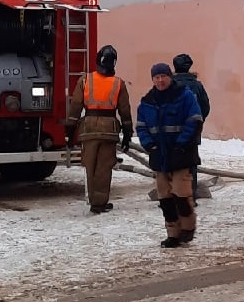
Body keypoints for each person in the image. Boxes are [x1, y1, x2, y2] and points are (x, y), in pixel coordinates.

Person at [137, 62, 203, 248]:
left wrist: (182, 144)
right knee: (165, 199)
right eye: (156, 77)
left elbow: (195, 120)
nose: (160, 80)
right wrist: (150, 145)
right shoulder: (147, 102)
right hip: (160, 156)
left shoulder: (185, 96)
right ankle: (173, 234)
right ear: (152, 80)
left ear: (170, 76)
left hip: (181, 153)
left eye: (163, 76)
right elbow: (141, 126)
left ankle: (188, 229)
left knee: (182, 196)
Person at [65, 44, 133, 214]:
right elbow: (125, 111)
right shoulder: (119, 83)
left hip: (88, 128)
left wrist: (69, 131)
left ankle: (93, 199)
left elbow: (75, 108)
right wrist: (127, 134)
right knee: (104, 166)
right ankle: (100, 202)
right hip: (109, 130)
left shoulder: (85, 80)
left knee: (90, 165)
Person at [171, 53, 210, 198]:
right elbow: (205, 107)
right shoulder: (197, 86)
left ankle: (174, 194)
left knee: (172, 162)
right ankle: (189, 196)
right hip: (192, 131)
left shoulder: (168, 85)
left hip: (171, 132)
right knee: (191, 162)